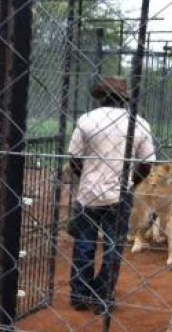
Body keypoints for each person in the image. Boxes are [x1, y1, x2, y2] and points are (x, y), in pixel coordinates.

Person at [67, 76, 156, 314]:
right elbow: (147, 165)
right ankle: (102, 296)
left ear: (102, 97)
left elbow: (74, 159)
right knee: (112, 247)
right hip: (120, 193)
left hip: (88, 193)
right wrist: (130, 184)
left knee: (85, 244)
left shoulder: (87, 120)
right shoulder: (139, 123)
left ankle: (79, 294)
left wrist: (86, 177)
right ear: (124, 100)